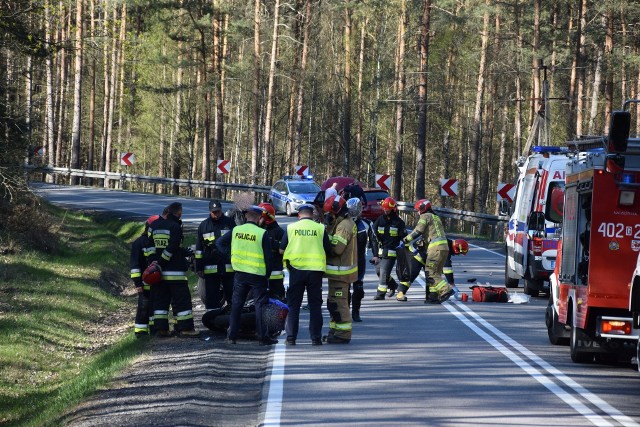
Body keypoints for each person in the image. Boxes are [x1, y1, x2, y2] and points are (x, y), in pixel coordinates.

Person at [217, 205, 277, 345]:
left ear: (246, 217)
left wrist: (229, 256)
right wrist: (267, 274)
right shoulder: (262, 233)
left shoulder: (236, 230)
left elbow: (219, 243)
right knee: (260, 306)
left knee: (237, 305)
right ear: (257, 218)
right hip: (257, 275)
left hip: (240, 274)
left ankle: (232, 336)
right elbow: (269, 258)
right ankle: (263, 337)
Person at [279, 203, 331, 346]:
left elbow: (281, 250)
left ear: (298, 215)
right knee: (315, 305)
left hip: (296, 270)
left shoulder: (291, 228)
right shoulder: (320, 229)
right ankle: (315, 338)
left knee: (294, 304)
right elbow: (328, 249)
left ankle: (291, 338)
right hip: (315, 271)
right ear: (312, 215)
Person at [146, 202, 199, 337]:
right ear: (179, 213)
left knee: (160, 303)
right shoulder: (175, 227)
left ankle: (161, 330)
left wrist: (154, 263)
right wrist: (162, 262)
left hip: (158, 274)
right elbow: (172, 247)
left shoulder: (153, 226)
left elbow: (149, 247)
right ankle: (185, 328)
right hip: (175, 273)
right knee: (182, 302)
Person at [401, 199, 453, 304]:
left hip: (435, 248)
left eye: (418, 210)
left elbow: (417, 231)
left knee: (430, 272)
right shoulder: (436, 217)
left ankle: (445, 289)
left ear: (422, 208)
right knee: (436, 273)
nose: (417, 212)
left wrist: (405, 240)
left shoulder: (425, 216)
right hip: (444, 248)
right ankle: (433, 297)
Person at [323, 195, 358, 344]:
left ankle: (343, 334)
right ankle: (335, 330)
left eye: (329, 213)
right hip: (338, 273)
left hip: (341, 273)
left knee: (339, 303)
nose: (328, 215)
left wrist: (324, 237)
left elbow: (337, 248)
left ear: (336, 211)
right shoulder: (343, 222)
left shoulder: (344, 226)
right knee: (332, 303)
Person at [195, 200, 236, 312]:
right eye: (213, 212)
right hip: (211, 268)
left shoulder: (230, 223)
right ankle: (212, 321)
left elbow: (237, 243)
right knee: (212, 298)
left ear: (221, 210)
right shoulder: (204, 226)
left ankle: (233, 321)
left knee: (232, 296)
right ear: (210, 212)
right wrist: (198, 267)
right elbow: (199, 249)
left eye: (217, 212)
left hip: (228, 267)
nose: (216, 214)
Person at [346, 197, 377, 321]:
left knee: (358, 288)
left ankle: (356, 311)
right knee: (345, 288)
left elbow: (374, 239)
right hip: (346, 261)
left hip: (359, 260)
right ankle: (345, 311)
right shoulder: (343, 222)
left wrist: (375, 255)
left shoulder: (367, 223)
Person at [129, 214, 159, 337]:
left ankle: (154, 331)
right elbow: (135, 265)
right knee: (143, 307)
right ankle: (140, 333)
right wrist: (138, 283)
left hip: (158, 283)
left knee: (156, 307)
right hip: (144, 282)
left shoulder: (159, 241)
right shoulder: (139, 243)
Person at [372, 197, 406, 300]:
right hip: (381, 251)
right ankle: (393, 286)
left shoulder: (399, 222)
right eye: (384, 209)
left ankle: (380, 293)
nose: (386, 211)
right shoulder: (379, 220)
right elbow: (374, 237)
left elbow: (404, 239)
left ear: (393, 209)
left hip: (392, 252)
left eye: (388, 209)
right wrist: (375, 255)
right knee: (379, 271)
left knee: (383, 271)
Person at [258, 202, 286, 301]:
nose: (258, 219)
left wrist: (271, 242)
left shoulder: (279, 232)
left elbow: (284, 249)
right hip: (260, 271)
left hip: (275, 272)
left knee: (278, 299)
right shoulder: (258, 230)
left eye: (260, 216)